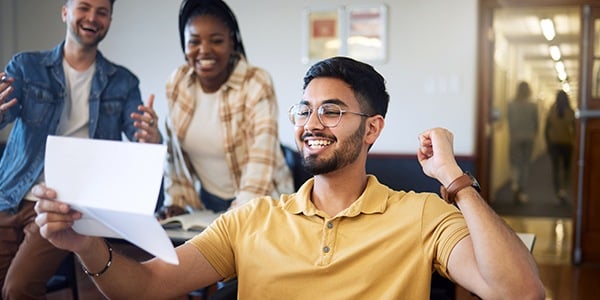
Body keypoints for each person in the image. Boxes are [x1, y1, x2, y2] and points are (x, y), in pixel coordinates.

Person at [33, 56, 545, 299]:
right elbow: (146, 287)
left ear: (373, 129)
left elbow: (522, 293)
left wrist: (453, 179)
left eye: (331, 111)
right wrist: (83, 244)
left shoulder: (422, 214)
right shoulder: (254, 220)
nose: (311, 124)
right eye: (304, 111)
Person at [0, 0, 161, 298]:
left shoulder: (123, 82)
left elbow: (142, 143)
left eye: (102, 12)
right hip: (9, 194)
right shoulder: (26, 66)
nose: (92, 18)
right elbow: (4, 115)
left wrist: (151, 137)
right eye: (84, 7)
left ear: (110, 20)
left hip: (63, 204)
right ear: (65, 12)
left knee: (17, 288)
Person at [155, 0, 293, 218]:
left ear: (232, 42)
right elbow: (175, 156)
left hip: (263, 199)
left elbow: (261, 160)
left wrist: (236, 216)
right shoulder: (178, 83)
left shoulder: (256, 82)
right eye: (194, 42)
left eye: (217, 41)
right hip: (205, 204)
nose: (204, 51)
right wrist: (176, 202)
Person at [507, 81, 539, 204]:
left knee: (515, 162)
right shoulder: (533, 106)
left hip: (515, 137)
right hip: (529, 137)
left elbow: (509, 121)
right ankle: (521, 191)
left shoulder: (511, 104)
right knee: (525, 164)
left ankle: (515, 184)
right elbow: (536, 124)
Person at [544, 90, 576, 205]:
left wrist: (547, 143)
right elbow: (575, 129)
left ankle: (558, 192)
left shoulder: (552, 111)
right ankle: (563, 190)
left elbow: (546, 129)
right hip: (567, 143)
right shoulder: (571, 112)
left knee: (556, 169)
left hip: (554, 144)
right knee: (566, 169)